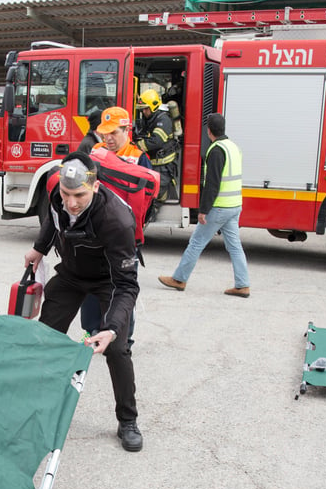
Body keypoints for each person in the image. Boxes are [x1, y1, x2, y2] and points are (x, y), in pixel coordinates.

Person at [22, 152, 142, 452]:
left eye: (79, 195)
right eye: (66, 194)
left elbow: (127, 285)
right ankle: (38, 407)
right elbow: (54, 217)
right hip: (72, 274)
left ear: (96, 187)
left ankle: (127, 420)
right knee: (45, 337)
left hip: (108, 281)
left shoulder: (117, 220)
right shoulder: (56, 192)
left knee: (117, 348)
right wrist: (39, 248)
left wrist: (112, 328)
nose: (72, 202)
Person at [158, 113, 250, 298]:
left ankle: (179, 279)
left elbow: (212, 184)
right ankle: (242, 285)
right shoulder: (233, 147)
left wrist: (203, 210)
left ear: (208, 131)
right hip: (234, 205)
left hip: (219, 207)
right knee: (234, 246)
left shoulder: (216, 150)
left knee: (196, 242)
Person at [80, 105, 151, 342]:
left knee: (122, 287)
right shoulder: (95, 153)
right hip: (95, 234)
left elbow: (148, 200)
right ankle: (92, 331)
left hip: (124, 236)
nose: (108, 138)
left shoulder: (139, 158)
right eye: (105, 132)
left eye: (114, 132)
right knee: (91, 284)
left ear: (127, 130)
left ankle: (121, 337)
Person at [134, 89, 179, 214]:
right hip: (155, 164)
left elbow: (156, 141)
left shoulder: (163, 120)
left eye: (145, 109)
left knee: (158, 191)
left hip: (164, 165)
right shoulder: (150, 118)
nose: (143, 111)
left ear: (153, 107)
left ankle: (153, 211)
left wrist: (136, 146)